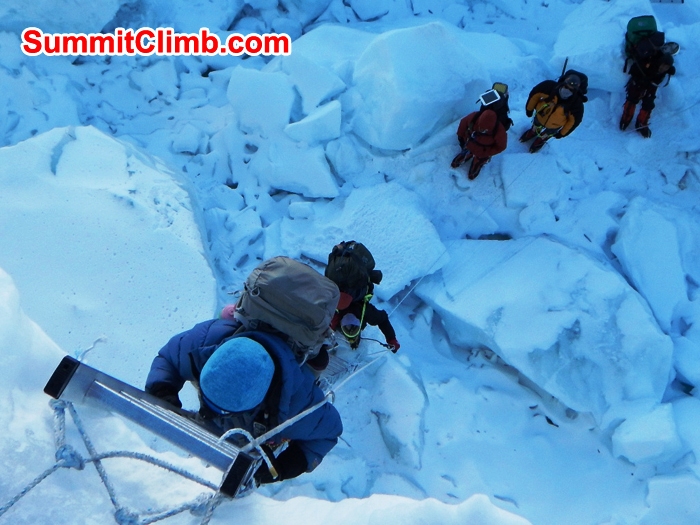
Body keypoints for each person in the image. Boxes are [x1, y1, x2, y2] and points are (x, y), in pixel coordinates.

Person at [145, 316, 343, 485]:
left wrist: (283, 467)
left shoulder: (297, 404)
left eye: (222, 410)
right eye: (205, 399)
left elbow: (328, 433)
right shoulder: (207, 340)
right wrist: (162, 390)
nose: (204, 414)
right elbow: (169, 357)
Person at [323, 241, 400, 354]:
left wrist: (391, 339)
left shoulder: (338, 312)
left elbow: (383, 319)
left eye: (350, 330)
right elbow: (383, 319)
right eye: (352, 330)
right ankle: (353, 343)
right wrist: (391, 339)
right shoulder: (365, 312)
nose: (350, 330)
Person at [520, 71, 587, 153]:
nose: (567, 90)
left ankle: (541, 139)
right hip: (541, 115)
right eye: (566, 86)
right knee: (536, 124)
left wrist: (562, 133)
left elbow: (573, 122)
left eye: (571, 89)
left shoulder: (576, 104)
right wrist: (529, 109)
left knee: (548, 133)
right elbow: (535, 95)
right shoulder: (549, 87)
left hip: (555, 125)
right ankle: (533, 131)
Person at [620, 50, 675, 138]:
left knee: (648, 104)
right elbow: (633, 70)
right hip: (638, 82)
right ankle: (626, 118)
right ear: (660, 62)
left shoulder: (667, 70)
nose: (664, 68)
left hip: (651, 85)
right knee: (632, 99)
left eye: (667, 67)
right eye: (663, 65)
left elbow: (662, 79)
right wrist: (641, 79)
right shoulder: (647, 62)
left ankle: (641, 123)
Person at [451, 108, 508, 180]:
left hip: (483, 151)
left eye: (485, 130)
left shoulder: (499, 130)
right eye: (481, 128)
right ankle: (466, 155)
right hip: (470, 143)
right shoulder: (474, 117)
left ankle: (477, 163)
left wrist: (488, 152)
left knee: (480, 158)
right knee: (467, 150)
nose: (482, 131)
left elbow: (501, 146)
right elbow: (463, 123)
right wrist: (460, 136)